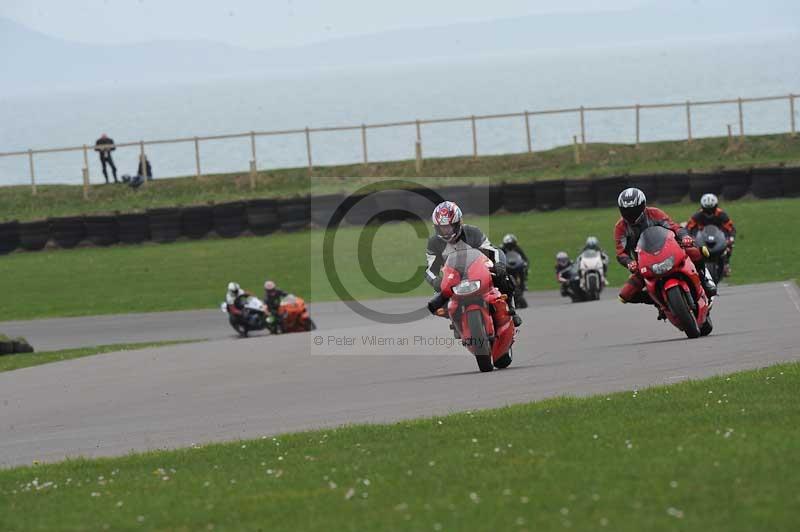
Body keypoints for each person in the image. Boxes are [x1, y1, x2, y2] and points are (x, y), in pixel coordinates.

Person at [615, 188, 716, 310]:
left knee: (698, 251)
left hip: (669, 250)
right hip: (644, 264)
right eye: (626, 211)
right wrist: (629, 262)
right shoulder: (621, 227)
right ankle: (657, 301)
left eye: (634, 210)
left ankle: (704, 280)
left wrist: (685, 237)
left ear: (642, 206)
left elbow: (674, 227)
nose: (630, 214)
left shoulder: (654, 213)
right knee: (625, 296)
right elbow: (621, 253)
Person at [424, 201, 521, 327]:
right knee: (437, 300)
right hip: (452, 278)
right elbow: (430, 269)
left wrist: (500, 265)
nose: (446, 231)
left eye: (449, 227)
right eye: (442, 228)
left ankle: (512, 311)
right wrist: (435, 281)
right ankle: (455, 320)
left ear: (458, 223)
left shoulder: (472, 232)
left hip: (478, 270)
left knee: (504, 277)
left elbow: (494, 250)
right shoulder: (434, 243)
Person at [686, 193, 736, 275]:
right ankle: (694, 266)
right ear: (702, 208)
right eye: (706, 210)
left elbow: (730, 227)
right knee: (692, 249)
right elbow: (688, 227)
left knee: (729, 245)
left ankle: (726, 264)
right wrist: (690, 237)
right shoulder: (698, 215)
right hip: (702, 237)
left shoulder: (721, 214)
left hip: (719, 237)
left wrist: (731, 237)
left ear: (716, 206)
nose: (709, 213)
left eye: (711, 210)